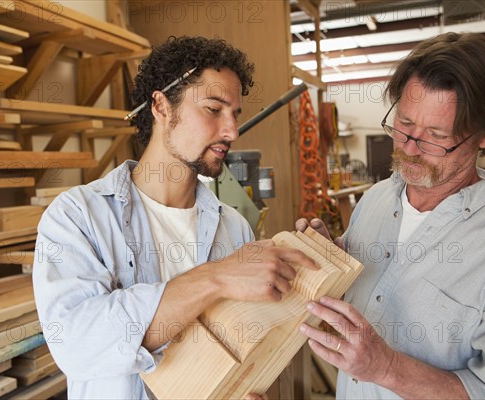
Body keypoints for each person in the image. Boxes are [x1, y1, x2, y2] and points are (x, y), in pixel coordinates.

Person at [32, 36, 317, 400]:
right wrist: (216, 277)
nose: (231, 131)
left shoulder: (234, 227)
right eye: (214, 110)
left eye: (235, 115)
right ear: (161, 106)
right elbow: (76, 344)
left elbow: (248, 343)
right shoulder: (78, 216)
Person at [296, 32, 485, 399]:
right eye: (403, 124)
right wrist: (330, 259)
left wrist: (386, 368)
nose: (410, 149)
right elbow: (365, 293)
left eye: (434, 135)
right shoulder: (375, 200)